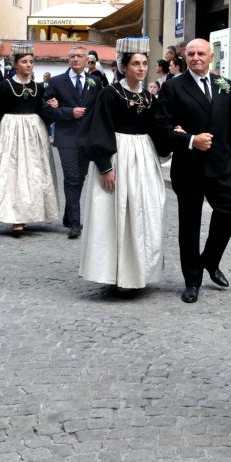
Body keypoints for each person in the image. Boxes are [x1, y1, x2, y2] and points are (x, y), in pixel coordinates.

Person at [153, 38, 231, 303]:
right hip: (189, 167)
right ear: (184, 57)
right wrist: (191, 140)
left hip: (220, 164)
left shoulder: (224, 85)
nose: (196, 57)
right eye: (191, 53)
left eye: (201, 53)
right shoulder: (173, 87)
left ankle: (210, 260)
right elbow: (163, 127)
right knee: (190, 226)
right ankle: (192, 280)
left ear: (211, 56)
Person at [78, 37, 169, 288]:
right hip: (118, 155)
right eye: (136, 64)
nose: (141, 68)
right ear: (124, 66)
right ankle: (114, 274)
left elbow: (159, 128)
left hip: (144, 159)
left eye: (144, 63)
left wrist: (176, 136)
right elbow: (98, 129)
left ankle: (139, 273)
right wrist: (106, 166)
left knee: (144, 211)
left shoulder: (150, 98)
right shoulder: (109, 94)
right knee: (114, 214)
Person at [0, 44, 59, 235]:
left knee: (33, 174)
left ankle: (29, 213)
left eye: (31, 62)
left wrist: (53, 107)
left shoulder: (39, 87)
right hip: (10, 132)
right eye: (24, 62)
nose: (29, 65)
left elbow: (43, 113)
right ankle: (15, 217)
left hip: (34, 134)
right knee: (12, 174)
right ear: (15, 64)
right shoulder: (3, 87)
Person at [42, 46, 102, 239]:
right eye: (72, 56)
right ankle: (75, 222)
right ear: (68, 60)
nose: (76, 59)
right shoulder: (57, 82)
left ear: (87, 61)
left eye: (79, 56)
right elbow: (46, 109)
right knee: (72, 177)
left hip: (86, 137)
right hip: (66, 137)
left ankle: (68, 215)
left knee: (81, 177)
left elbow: (99, 109)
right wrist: (69, 112)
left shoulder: (95, 82)